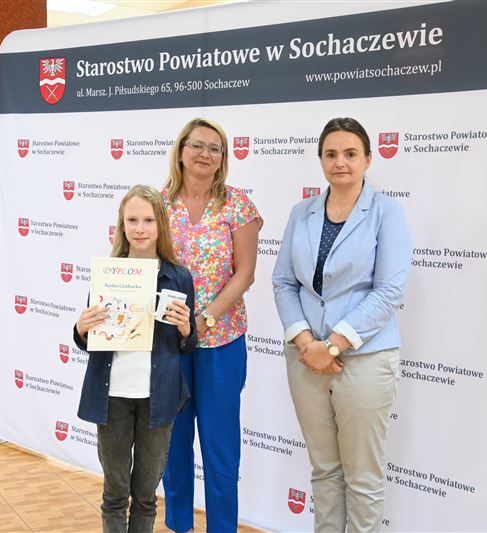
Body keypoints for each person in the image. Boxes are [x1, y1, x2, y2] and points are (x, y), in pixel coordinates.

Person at [272, 117, 413, 532]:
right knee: (324, 471)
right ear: (320, 160)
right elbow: (283, 282)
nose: (340, 162)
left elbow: (388, 290)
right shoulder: (302, 213)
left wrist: (332, 345)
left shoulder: (386, 213)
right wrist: (305, 343)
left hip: (364, 359)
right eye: (331, 154)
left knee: (363, 479)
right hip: (305, 359)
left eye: (351, 154)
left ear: (368, 159)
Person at [74, 185, 197, 533]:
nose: (140, 228)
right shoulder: (107, 273)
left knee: (145, 497)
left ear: (161, 225)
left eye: (148, 220)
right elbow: (89, 341)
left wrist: (187, 329)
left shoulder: (179, 277)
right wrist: (81, 329)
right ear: (122, 225)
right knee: (114, 494)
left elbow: (188, 346)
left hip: (159, 398)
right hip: (111, 397)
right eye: (132, 220)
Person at [160, 118, 261, 533]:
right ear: (181, 151)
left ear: (223, 159)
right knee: (172, 445)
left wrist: (205, 319)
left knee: (221, 450)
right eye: (197, 145)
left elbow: (245, 274)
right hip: (169, 344)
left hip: (221, 342)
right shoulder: (159, 203)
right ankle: (179, 525)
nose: (205, 154)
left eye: (215, 148)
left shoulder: (237, 204)